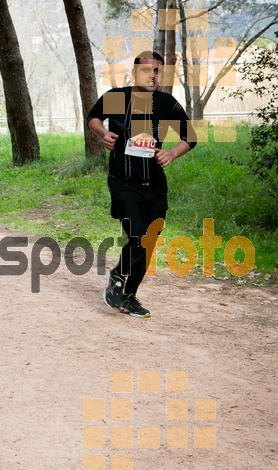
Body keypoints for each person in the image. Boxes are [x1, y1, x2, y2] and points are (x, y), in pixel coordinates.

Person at [87, 51, 197, 318]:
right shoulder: (117, 97)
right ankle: (117, 274)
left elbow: (189, 137)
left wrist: (171, 153)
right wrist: (103, 134)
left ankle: (129, 296)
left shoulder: (166, 103)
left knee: (147, 243)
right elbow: (93, 118)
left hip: (156, 187)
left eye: (157, 71)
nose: (153, 75)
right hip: (123, 183)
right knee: (138, 236)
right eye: (147, 70)